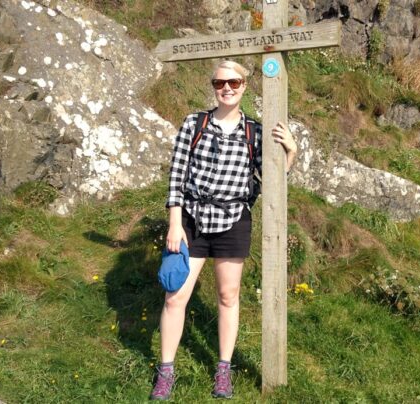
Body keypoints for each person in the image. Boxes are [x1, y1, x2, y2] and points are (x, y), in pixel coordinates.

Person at [150, 60, 297, 400]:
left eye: (234, 82)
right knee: (176, 296)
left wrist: (290, 151)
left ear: (245, 85)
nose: (227, 88)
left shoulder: (254, 132)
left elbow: (271, 181)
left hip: (234, 221)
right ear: (213, 87)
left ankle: (223, 370)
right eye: (220, 83)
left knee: (228, 296)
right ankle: (166, 371)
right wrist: (175, 224)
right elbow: (176, 176)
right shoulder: (194, 123)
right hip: (191, 220)